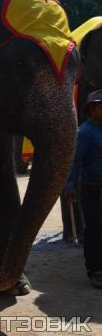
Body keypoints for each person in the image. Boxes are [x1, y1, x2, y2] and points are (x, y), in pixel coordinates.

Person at [64, 89, 102, 289]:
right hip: (93, 190)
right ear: (93, 109)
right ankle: (95, 270)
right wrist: (69, 185)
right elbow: (74, 162)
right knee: (95, 230)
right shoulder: (85, 132)